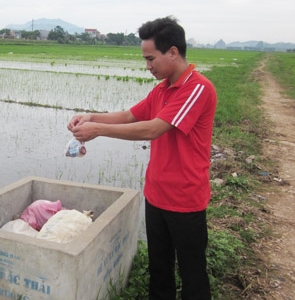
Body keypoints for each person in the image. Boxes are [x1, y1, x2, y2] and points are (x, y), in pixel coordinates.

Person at [67, 16, 216, 300]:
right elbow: (130, 116)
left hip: (185, 199)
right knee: (159, 269)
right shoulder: (161, 90)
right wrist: (90, 116)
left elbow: (154, 128)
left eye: (151, 59)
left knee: (192, 272)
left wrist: (98, 130)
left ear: (173, 52)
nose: (147, 66)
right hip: (156, 194)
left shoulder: (197, 89)